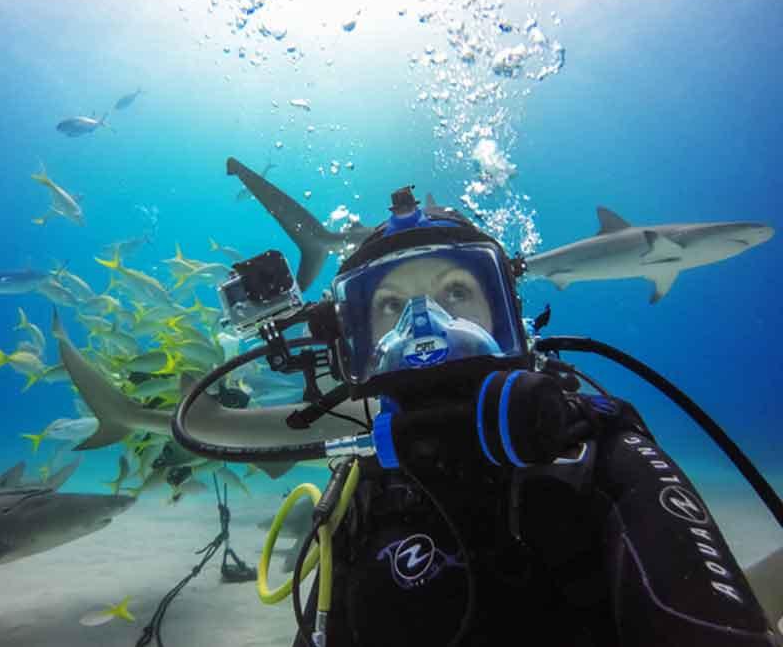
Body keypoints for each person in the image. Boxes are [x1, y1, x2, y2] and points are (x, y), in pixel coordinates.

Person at [287, 186, 777, 646]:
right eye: (391, 304)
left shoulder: (599, 453)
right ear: (359, 342)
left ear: (507, 317)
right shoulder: (363, 491)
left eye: (455, 292)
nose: (426, 326)